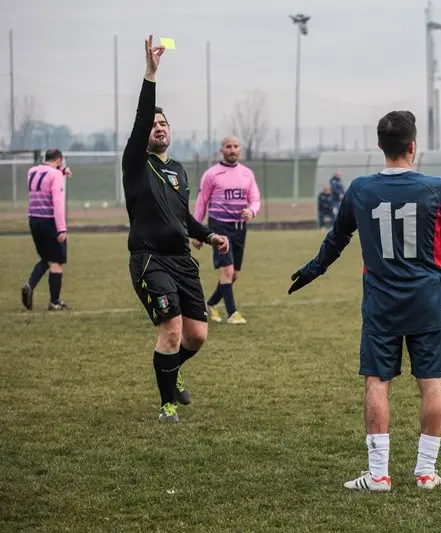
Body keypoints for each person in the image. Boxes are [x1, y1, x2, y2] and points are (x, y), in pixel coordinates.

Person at [287, 110, 441, 492]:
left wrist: (311, 270)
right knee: (431, 384)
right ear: (413, 147)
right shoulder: (436, 188)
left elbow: (336, 239)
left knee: (377, 381)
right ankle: (424, 472)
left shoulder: (360, 189)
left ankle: (379, 474)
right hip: (427, 302)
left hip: (381, 304)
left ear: (380, 147)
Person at [123, 35, 229, 423]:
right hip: (149, 260)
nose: (158, 127)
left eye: (164, 123)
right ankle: (167, 403)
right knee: (170, 331)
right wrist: (151, 74)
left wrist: (208, 235)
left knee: (196, 336)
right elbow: (141, 119)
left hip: (182, 260)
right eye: (153, 124)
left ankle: (172, 371)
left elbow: (182, 218)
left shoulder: (179, 170)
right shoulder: (136, 163)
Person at [193, 135, 260, 325]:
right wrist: (197, 232)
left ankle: (211, 304)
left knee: (234, 274)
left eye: (236, 146)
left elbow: (255, 198)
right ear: (221, 150)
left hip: (240, 228)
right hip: (219, 226)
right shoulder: (211, 174)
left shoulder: (247, 174)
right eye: (228, 146)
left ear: (240, 149)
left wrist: (252, 211)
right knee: (227, 270)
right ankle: (232, 313)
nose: (232, 150)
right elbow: (202, 202)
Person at [21, 149, 72, 311]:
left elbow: (46, 176)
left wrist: (62, 171)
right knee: (57, 261)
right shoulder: (55, 175)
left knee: (46, 257)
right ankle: (54, 302)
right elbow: (57, 202)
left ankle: (29, 285)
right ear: (59, 159)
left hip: (34, 219)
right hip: (49, 221)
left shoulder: (32, 171)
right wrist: (61, 229)